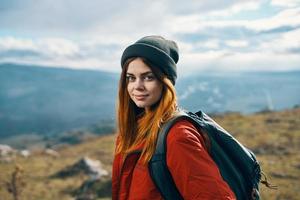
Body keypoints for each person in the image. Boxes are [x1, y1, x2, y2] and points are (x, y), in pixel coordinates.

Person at [112, 35, 236, 200]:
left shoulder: (178, 136)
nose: (137, 86)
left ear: (165, 82)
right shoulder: (132, 131)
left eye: (148, 77)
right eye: (131, 78)